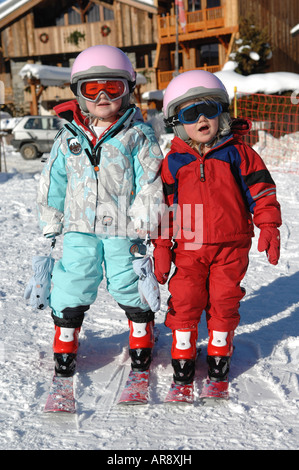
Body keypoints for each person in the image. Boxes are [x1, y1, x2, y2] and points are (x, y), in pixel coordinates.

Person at [37, 45, 164, 377]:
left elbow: (150, 178)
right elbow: (54, 180)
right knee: (73, 279)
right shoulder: (68, 137)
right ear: (78, 94)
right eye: (92, 89)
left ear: (128, 89)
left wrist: (145, 219)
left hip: (124, 228)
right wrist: (52, 219)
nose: (103, 95)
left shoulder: (139, 134)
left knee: (127, 279)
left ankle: (141, 333)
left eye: (114, 87)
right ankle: (66, 338)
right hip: (80, 226)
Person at [153, 70, 282, 385]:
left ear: (221, 113)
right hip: (189, 246)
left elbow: (262, 192)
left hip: (231, 246)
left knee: (224, 299)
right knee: (184, 297)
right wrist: (161, 246)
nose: (201, 119)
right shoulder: (173, 162)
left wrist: (268, 225)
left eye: (208, 110)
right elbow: (165, 208)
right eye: (190, 113)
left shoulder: (239, 153)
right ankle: (183, 354)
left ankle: (219, 354)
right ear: (178, 122)